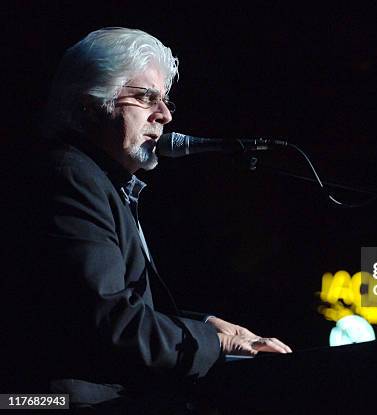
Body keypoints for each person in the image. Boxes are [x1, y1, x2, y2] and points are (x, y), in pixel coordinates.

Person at [5, 27, 290, 413]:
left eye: (165, 100)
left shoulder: (98, 179)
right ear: (90, 103)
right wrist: (213, 341)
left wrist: (209, 324)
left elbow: (109, 307)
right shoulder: (71, 178)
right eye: (145, 97)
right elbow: (111, 323)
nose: (166, 115)